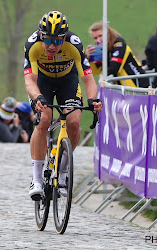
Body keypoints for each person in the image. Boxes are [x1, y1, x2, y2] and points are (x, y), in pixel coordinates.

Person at [24, 11, 102, 200]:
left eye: (58, 41)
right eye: (49, 40)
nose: (52, 46)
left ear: (64, 38)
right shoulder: (32, 45)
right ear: (41, 36)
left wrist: (93, 100)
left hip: (68, 81)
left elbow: (89, 80)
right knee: (44, 120)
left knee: (74, 121)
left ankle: (64, 171)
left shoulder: (74, 44)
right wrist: (37, 98)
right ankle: (36, 180)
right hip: (42, 82)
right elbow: (29, 80)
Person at [85, 22, 149, 88]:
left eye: (100, 36)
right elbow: (94, 71)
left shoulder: (119, 43)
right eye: (95, 38)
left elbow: (114, 68)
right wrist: (89, 58)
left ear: (107, 33)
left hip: (138, 85)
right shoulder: (103, 49)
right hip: (124, 89)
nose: (98, 40)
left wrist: (103, 77)